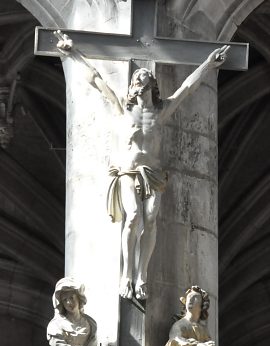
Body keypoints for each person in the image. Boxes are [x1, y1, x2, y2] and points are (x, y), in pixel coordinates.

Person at [55, 30, 229, 300]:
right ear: (132, 86)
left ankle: (141, 276)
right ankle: (126, 274)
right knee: (133, 216)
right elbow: (97, 81)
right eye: (137, 79)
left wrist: (208, 64)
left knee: (151, 220)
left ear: (152, 87)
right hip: (127, 172)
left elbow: (186, 89)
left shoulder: (160, 111)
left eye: (145, 79)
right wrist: (71, 53)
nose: (140, 81)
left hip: (155, 174)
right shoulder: (122, 110)